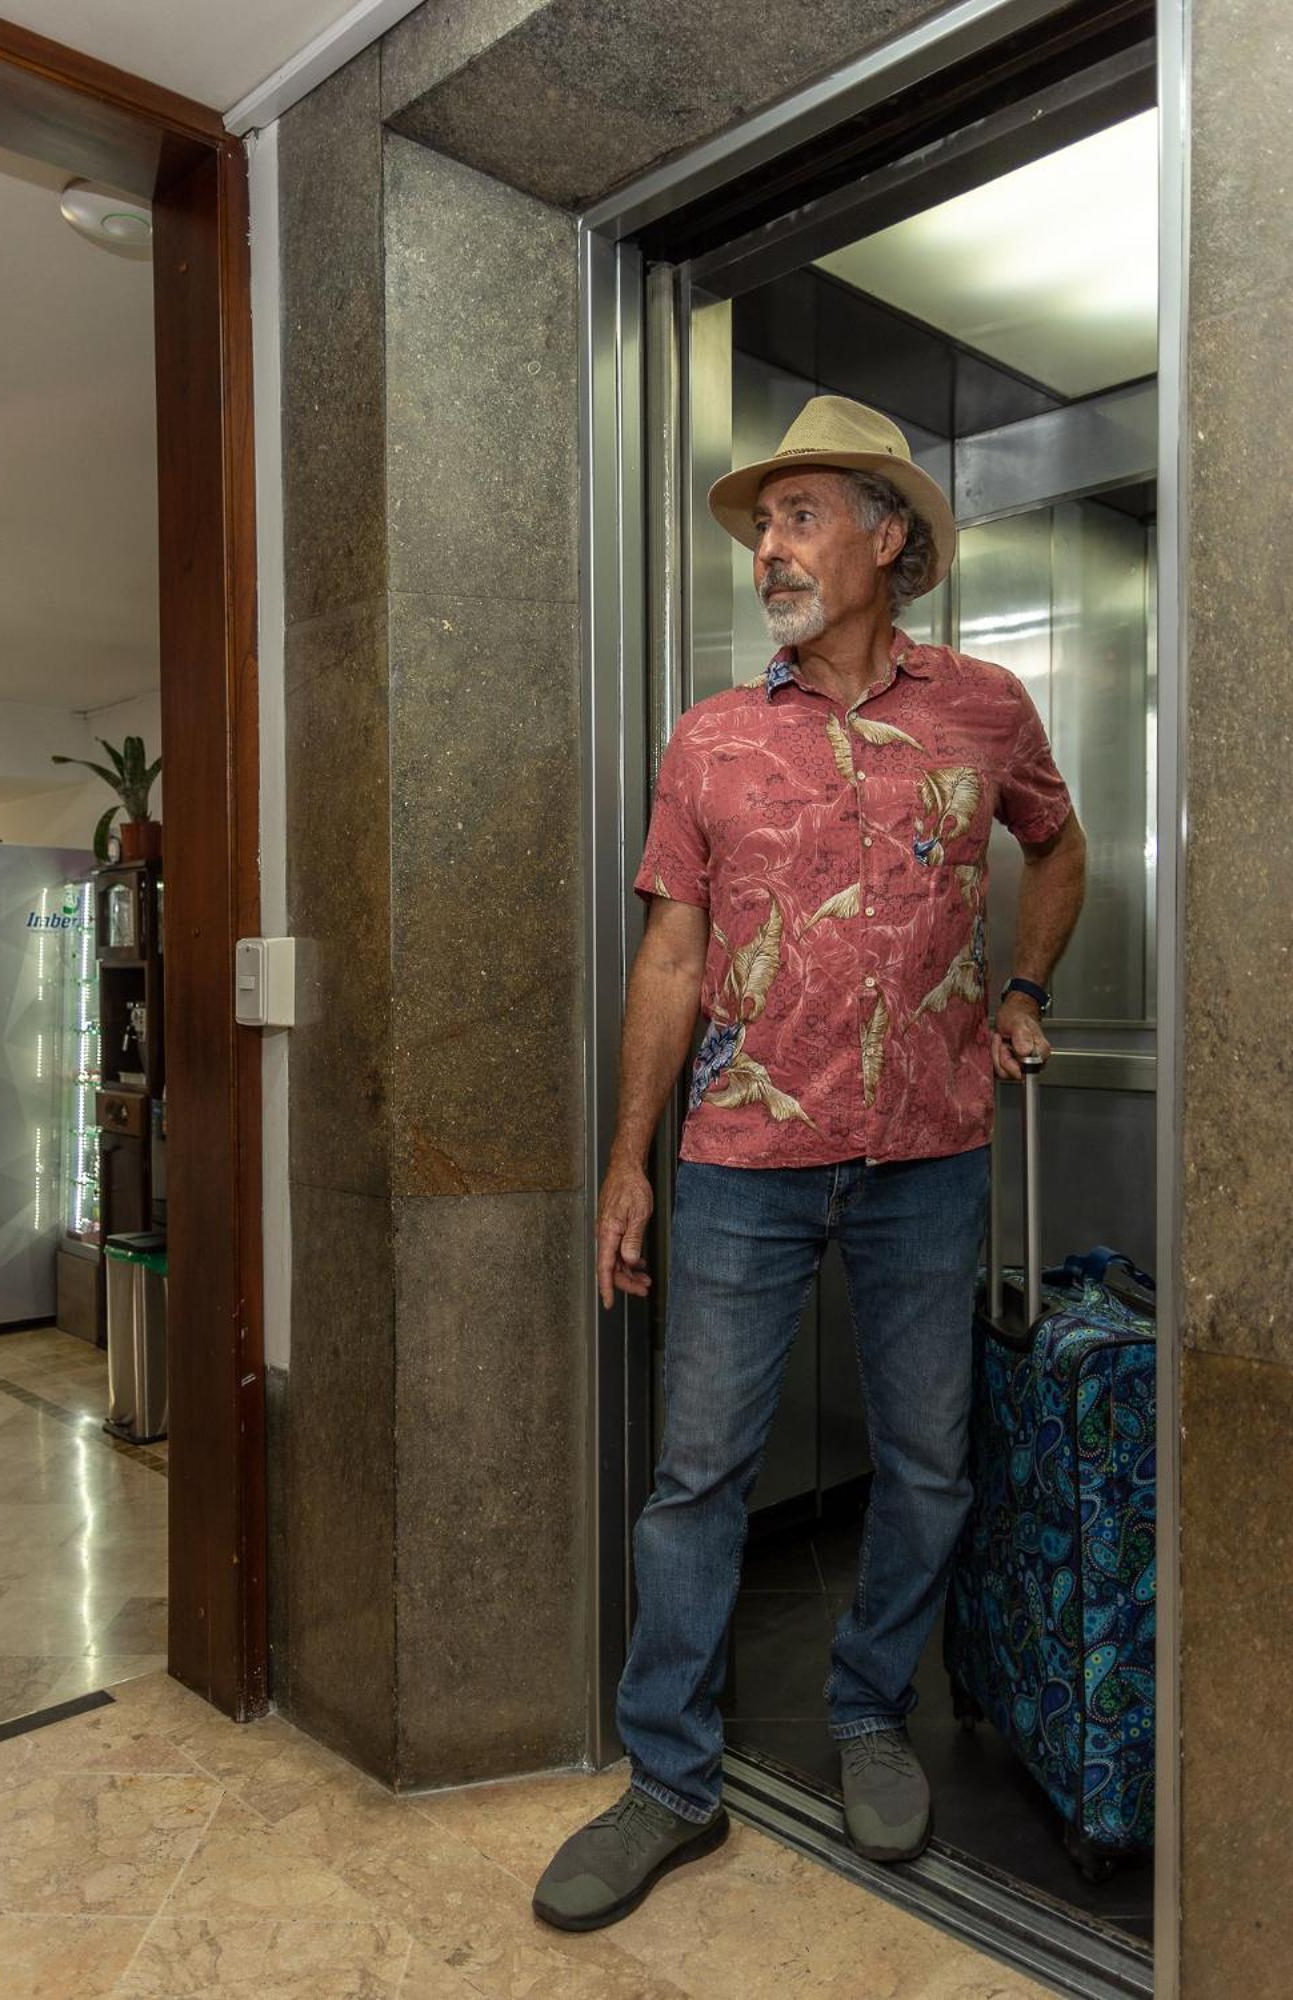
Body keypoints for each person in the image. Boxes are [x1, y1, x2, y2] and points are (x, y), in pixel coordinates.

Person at [533, 395, 1086, 1933]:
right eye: (761, 525)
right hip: (740, 1159)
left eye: (799, 517)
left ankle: (865, 1714)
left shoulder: (983, 708)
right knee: (698, 1475)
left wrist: (1023, 988)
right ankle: (669, 1780)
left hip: (928, 1154)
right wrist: (627, 1161)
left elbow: (1055, 843)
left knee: (925, 1463)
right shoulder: (710, 737)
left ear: (886, 537)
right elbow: (670, 954)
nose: (769, 550)